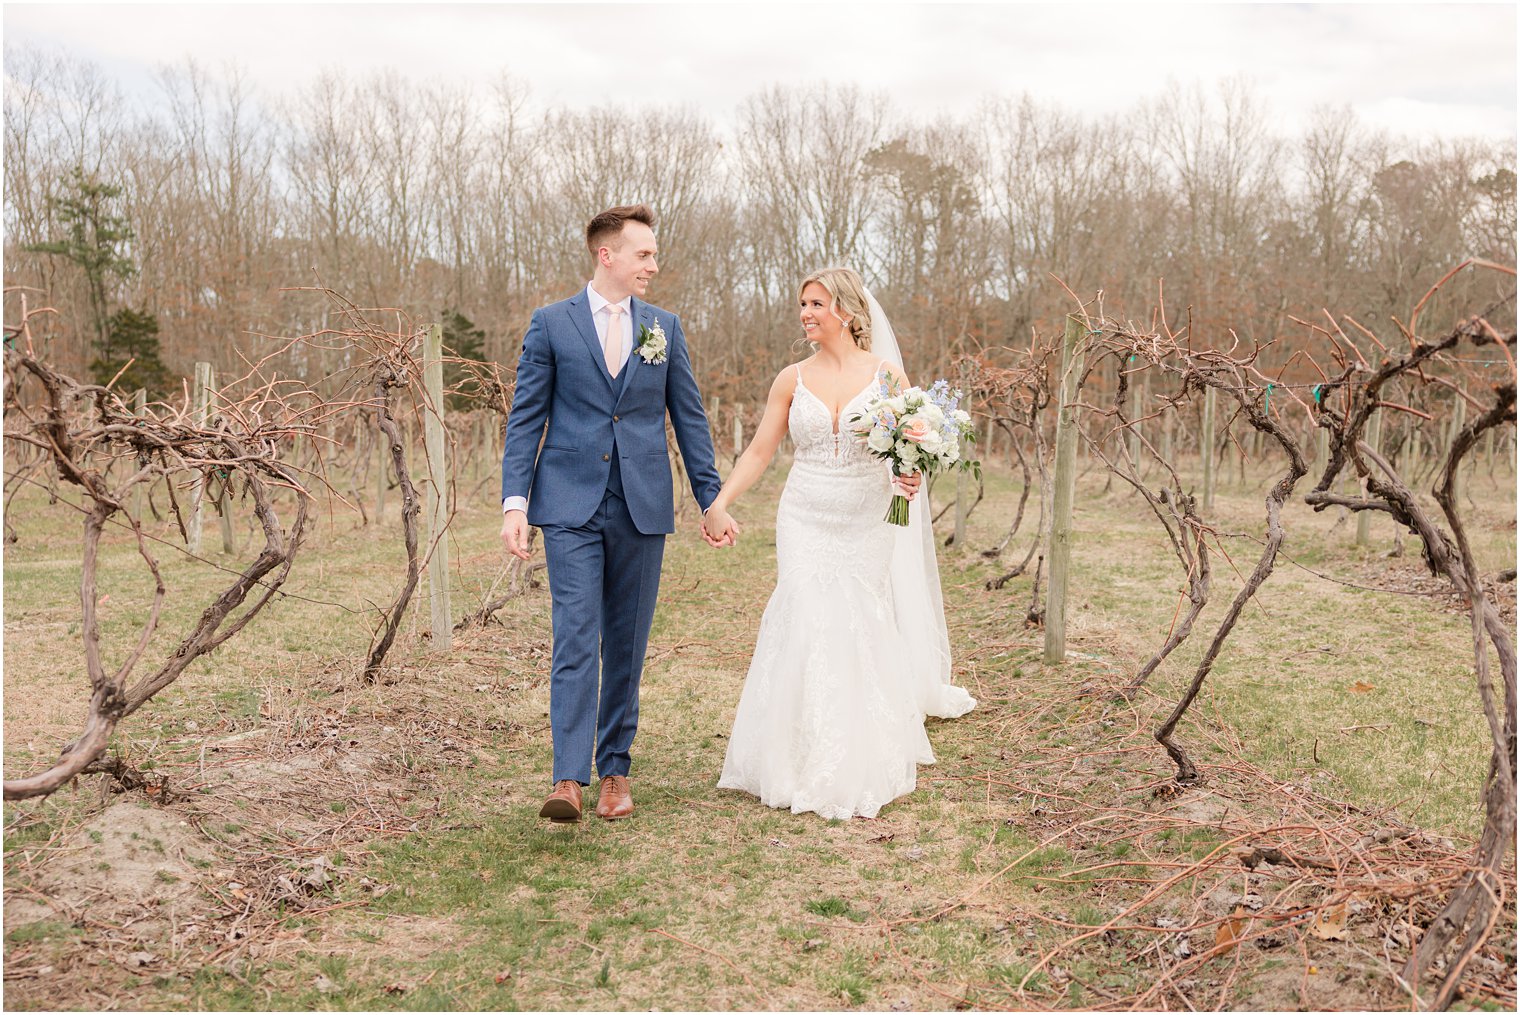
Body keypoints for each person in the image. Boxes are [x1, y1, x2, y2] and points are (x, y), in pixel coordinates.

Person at [705, 267, 976, 821]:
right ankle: (790, 755)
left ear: (848, 311)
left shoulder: (887, 376)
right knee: (804, 614)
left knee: (856, 619)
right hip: (803, 513)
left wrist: (912, 476)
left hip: (866, 517)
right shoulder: (790, 378)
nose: (805, 312)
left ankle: (855, 751)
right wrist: (720, 501)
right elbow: (759, 452)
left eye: (816, 303)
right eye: (803, 303)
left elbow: (912, 452)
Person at [500, 204, 737, 824]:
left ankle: (615, 771)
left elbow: (689, 418)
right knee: (575, 636)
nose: (653, 265)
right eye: (644, 254)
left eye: (654, 255)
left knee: (626, 643)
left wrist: (709, 499)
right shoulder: (551, 324)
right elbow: (526, 418)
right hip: (569, 504)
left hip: (641, 503)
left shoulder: (664, 328)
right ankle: (567, 778)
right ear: (607, 255)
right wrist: (515, 503)